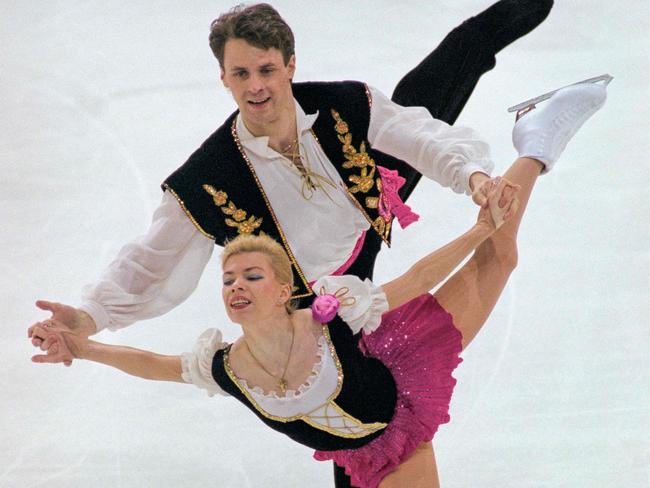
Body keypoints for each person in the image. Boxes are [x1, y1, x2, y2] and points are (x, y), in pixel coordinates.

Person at [28, 2, 553, 485]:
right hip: (309, 296)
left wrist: (477, 180)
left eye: (266, 70)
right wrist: (91, 318)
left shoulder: (343, 104)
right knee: (352, 404)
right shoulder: (208, 177)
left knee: (428, 97)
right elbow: (150, 262)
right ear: (224, 77)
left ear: (290, 65)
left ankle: (511, 36)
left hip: (362, 209)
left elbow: (420, 139)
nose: (255, 86)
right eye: (240, 74)